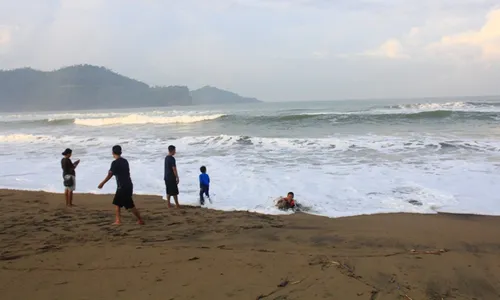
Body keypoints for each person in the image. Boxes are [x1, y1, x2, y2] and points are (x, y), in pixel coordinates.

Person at [98, 145, 144, 225]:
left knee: (129, 205)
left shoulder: (115, 163)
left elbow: (110, 174)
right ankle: (119, 220)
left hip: (122, 186)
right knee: (118, 203)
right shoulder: (125, 161)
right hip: (129, 184)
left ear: (112, 153)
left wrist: (102, 183)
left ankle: (138, 220)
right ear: (121, 152)